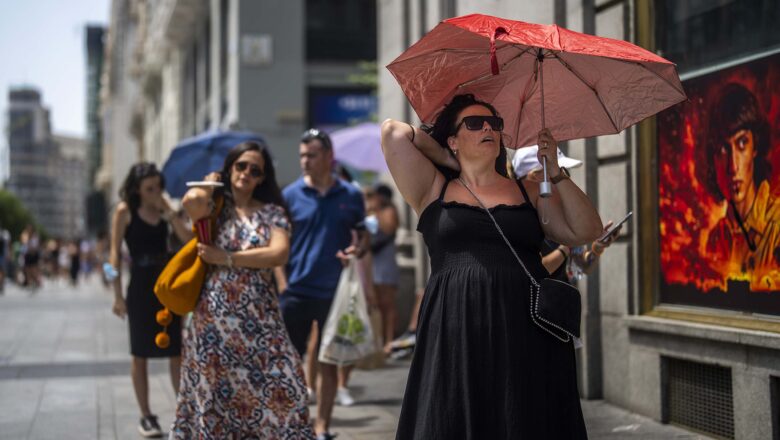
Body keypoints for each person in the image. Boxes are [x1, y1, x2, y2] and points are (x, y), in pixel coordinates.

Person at [381, 93, 603, 438]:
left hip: (525, 328)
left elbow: (585, 231)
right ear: (453, 139)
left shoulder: (530, 189)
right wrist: (448, 159)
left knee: (522, 416)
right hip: (456, 326)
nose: (488, 128)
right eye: (474, 124)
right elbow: (393, 132)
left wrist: (557, 174)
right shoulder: (434, 189)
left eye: (494, 124)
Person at [171, 141, 314, 439]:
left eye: (255, 170)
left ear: (262, 178)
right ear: (230, 168)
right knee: (216, 399)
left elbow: (278, 253)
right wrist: (210, 183)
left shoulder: (272, 212)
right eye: (241, 166)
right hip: (213, 322)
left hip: (261, 318)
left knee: (289, 386)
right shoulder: (215, 207)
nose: (247, 173)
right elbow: (189, 202)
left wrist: (227, 258)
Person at [278, 128, 373, 440]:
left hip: (335, 292)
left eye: (312, 155)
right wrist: (282, 284)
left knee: (329, 361)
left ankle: (322, 428)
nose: (305, 161)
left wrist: (357, 249)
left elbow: (363, 237)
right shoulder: (290, 195)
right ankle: (294, 425)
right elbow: (278, 242)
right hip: (295, 291)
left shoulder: (350, 195)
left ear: (329, 157)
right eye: (302, 155)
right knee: (290, 364)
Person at [109, 162, 193, 437]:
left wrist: (170, 213)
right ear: (137, 189)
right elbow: (113, 256)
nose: (156, 192)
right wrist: (117, 295)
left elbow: (188, 240)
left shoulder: (166, 210)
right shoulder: (125, 211)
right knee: (140, 353)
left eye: (158, 187)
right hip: (140, 286)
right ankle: (146, 415)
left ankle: (184, 413)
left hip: (166, 285)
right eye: (150, 188)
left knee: (176, 350)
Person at [702, 83, 779, 290]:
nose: (733, 166)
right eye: (723, 149)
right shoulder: (715, 239)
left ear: (755, 147)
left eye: (742, 143)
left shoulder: (776, 224)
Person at [512, 146, 622, 282]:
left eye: (563, 172)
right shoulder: (516, 219)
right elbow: (533, 271)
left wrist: (597, 249)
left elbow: (581, 267)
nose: (564, 180)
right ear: (534, 177)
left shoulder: (559, 213)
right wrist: (567, 247)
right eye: (557, 172)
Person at [364, 184, 401, 354]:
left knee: (388, 303)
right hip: (372, 260)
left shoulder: (388, 211)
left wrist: (377, 211)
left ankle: (389, 340)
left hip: (385, 259)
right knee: (375, 303)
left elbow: (388, 229)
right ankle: (377, 341)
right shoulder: (369, 211)